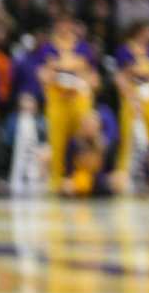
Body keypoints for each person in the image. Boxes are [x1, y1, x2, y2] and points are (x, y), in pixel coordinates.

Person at [34, 14, 100, 191]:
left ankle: (84, 178)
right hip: (57, 99)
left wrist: (76, 76)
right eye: (61, 24)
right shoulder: (47, 48)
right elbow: (42, 74)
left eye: (68, 24)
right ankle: (56, 181)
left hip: (79, 98)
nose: (65, 28)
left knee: (84, 138)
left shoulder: (84, 48)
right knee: (57, 141)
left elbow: (92, 77)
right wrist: (57, 74)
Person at [110, 21, 149, 194]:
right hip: (132, 98)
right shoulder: (124, 50)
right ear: (140, 31)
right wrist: (131, 97)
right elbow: (121, 77)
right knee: (130, 137)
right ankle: (125, 175)